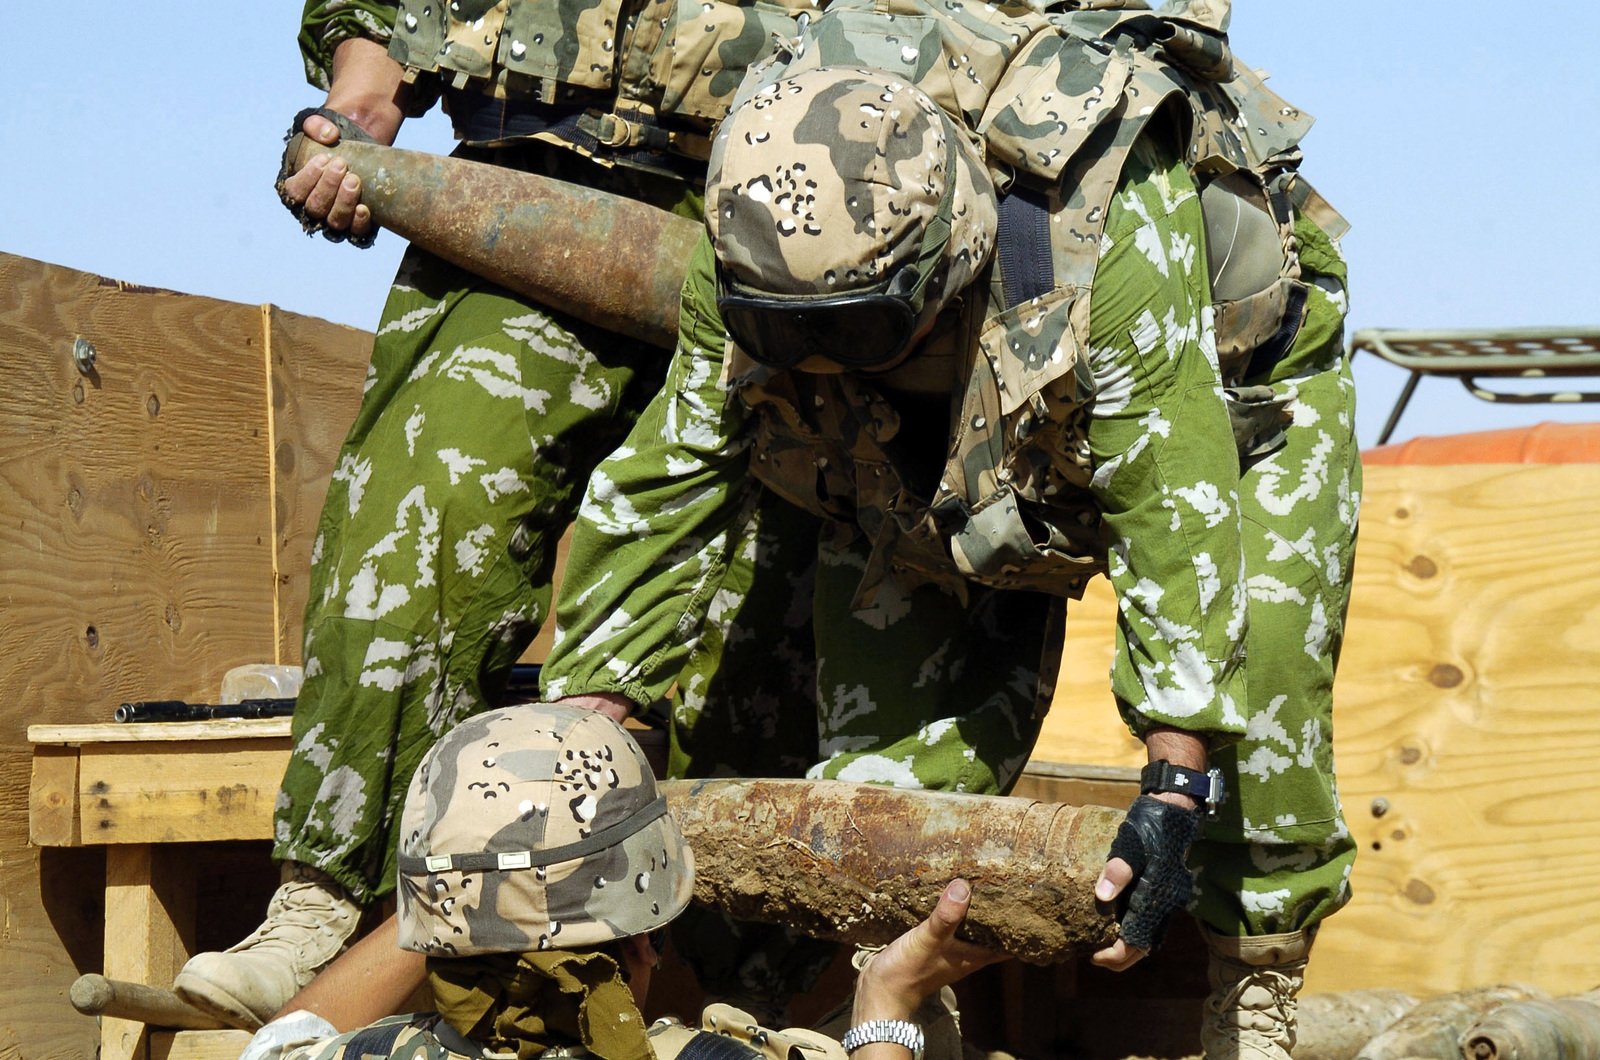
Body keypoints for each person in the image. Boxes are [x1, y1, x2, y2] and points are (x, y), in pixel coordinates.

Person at [533, 5, 1362, 1056]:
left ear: (948, 255)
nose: (820, 359)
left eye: (853, 331)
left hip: (1229, 407)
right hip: (938, 451)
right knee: (885, 784)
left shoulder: (1101, 221)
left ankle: (1255, 988)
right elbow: (670, 475)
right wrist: (583, 726)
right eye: (796, 338)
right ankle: (909, 1005)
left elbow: (1172, 490)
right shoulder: (750, 236)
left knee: (1268, 684)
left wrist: (1175, 773)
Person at [174, 0, 829, 1028]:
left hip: (796, 223)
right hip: (523, 201)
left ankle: (770, 982)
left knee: (769, 577)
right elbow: (378, 23)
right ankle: (329, 903)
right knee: (423, 500)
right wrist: (359, 100)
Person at [238, 702, 999, 1060]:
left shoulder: (378, 1055)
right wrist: (888, 1010)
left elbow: (280, 1043)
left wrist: (476, 874)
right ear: (648, 939)